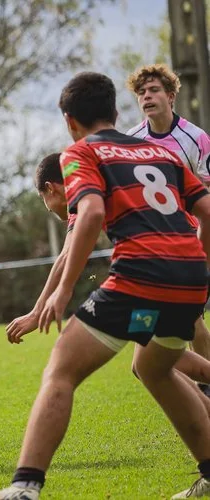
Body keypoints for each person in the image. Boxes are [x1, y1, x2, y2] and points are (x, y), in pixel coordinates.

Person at [0, 72, 210, 500]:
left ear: (69, 120)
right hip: (189, 279)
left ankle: (24, 487)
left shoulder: (79, 153)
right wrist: (192, 264)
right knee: (154, 369)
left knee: (61, 370)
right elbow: (207, 210)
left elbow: (91, 215)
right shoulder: (160, 152)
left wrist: (62, 291)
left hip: (141, 274)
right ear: (116, 112)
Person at [7, 153, 210, 408]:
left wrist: (37, 312)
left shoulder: (81, 192)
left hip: (161, 269)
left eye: (42, 199)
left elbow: (67, 255)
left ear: (51, 187)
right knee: (148, 362)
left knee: (145, 361)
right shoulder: (114, 171)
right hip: (183, 258)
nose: (47, 207)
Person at [126, 63, 210, 390]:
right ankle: (196, 394)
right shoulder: (130, 141)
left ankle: (202, 393)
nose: (147, 97)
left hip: (189, 245)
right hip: (149, 248)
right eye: (141, 92)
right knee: (143, 332)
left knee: (193, 321)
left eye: (154, 90)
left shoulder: (196, 138)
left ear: (171, 96)